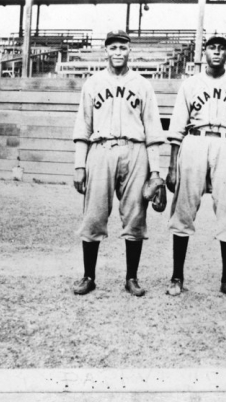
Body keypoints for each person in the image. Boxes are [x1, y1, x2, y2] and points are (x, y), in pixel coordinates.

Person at [71, 30, 165, 297]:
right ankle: (89, 276)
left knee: (136, 215)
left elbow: (153, 131)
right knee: (93, 215)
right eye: (113, 47)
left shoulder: (142, 84)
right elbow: (83, 127)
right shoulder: (93, 83)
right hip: (100, 149)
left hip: (135, 150)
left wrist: (155, 173)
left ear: (129, 51)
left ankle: (131, 278)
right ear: (106, 51)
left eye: (122, 47)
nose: (118, 52)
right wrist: (80, 164)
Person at [165, 35, 226, 299]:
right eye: (212, 48)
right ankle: (176, 277)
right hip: (194, 141)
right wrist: (172, 167)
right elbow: (176, 128)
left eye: (222, 48)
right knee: (183, 209)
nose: (217, 52)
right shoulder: (190, 84)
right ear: (204, 52)